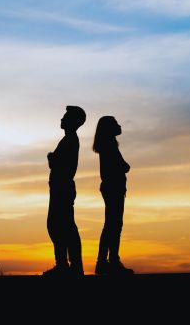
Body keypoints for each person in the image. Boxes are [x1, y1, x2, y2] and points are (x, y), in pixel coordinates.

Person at [43, 106, 86, 277]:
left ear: (73, 121)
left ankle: (67, 266)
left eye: (65, 117)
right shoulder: (68, 139)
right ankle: (67, 265)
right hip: (60, 187)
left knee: (61, 226)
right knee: (60, 226)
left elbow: (56, 163)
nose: (62, 119)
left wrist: (51, 157)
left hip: (62, 188)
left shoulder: (70, 140)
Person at [93, 116, 134, 275]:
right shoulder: (109, 145)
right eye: (115, 123)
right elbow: (123, 166)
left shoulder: (107, 144)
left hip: (111, 188)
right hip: (113, 188)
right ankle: (109, 262)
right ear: (109, 128)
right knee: (114, 225)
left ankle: (106, 261)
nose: (119, 125)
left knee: (112, 225)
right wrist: (125, 166)